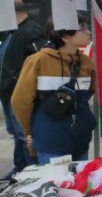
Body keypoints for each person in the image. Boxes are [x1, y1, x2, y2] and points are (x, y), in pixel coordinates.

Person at [11, 16, 96, 164]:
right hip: (51, 141)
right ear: (65, 36)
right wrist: (31, 132)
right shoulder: (38, 61)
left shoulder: (86, 62)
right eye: (83, 29)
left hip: (81, 140)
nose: (89, 32)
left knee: (81, 185)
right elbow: (20, 102)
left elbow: (89, 91)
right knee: (57, 185)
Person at [0, 0, 45, 177]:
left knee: (23, 133)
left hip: (19, 93)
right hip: (8, 92)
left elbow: (38, 62)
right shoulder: (11, 32)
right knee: (15, 133)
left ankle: (30, 172)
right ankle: (20, 168)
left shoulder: (31, 30)